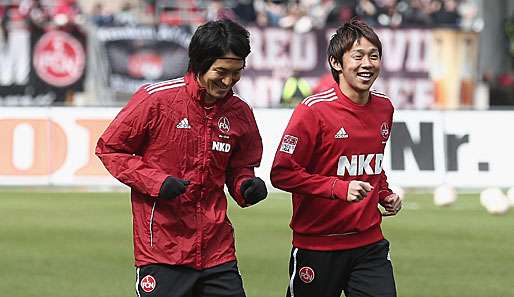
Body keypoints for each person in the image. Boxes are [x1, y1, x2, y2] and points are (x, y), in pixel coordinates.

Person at [96, 19, 268, 297]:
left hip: (217, 251)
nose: (228, 82)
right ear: (199, 63)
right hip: (163, 250)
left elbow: (239, 167)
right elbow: (111, 149)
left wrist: (246, 186)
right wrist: (157, 182)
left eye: (236, 73)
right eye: (221, 72)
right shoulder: (155, 100)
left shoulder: (240, 112)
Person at [270, 18, 402, 297]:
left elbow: (372, 163)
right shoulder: (312, 111)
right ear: (337, 63)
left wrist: (384, 194)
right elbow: (282, 173)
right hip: (318, 246)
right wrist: (339, 189)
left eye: (374, 56)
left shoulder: (384, 108)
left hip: (369, 243)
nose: (367, 63)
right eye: (358, 56)